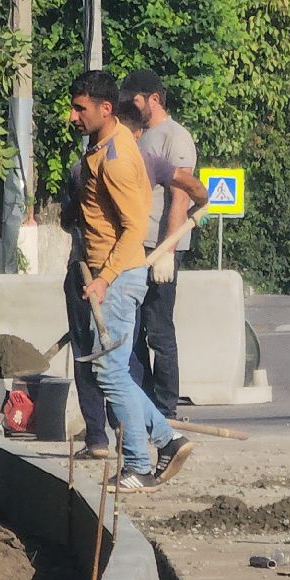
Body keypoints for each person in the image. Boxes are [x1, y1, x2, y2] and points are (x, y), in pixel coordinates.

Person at [65, 70, 193, 491]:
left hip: (117, 279)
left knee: (112, 373)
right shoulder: (109, 144)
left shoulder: (117, 159)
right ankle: (168, 441)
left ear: (105, 109)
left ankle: (139, 464)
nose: (72, 116)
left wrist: (104, 279)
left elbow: (133, 227)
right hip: (115, 275)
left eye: (80, 108)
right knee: (112, 370)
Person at [120, 69, 197, 421]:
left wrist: (166, 250)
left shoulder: (174, 137)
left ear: (154, 98)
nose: (130, 106)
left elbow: (179, 199)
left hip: (160, 248)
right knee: (131, 332)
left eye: (135, 100)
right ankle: (142, 405)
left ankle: (165, 408)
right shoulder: (136, 136)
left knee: (159, 330)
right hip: (134, 247)